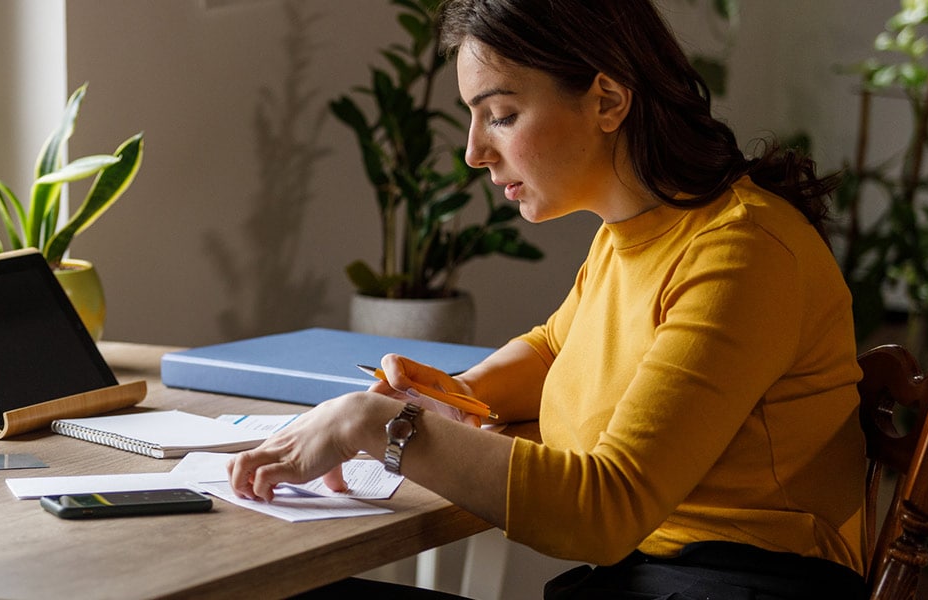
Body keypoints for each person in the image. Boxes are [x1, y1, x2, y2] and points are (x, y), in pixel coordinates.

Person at [229, 0, 869, 598]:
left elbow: (605, 512)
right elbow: (556, 349)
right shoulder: (633, 234)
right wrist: (447, 395)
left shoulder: (742, 254)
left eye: (501, 115)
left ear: (608, 100)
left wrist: (368, 426)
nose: (475, 151)